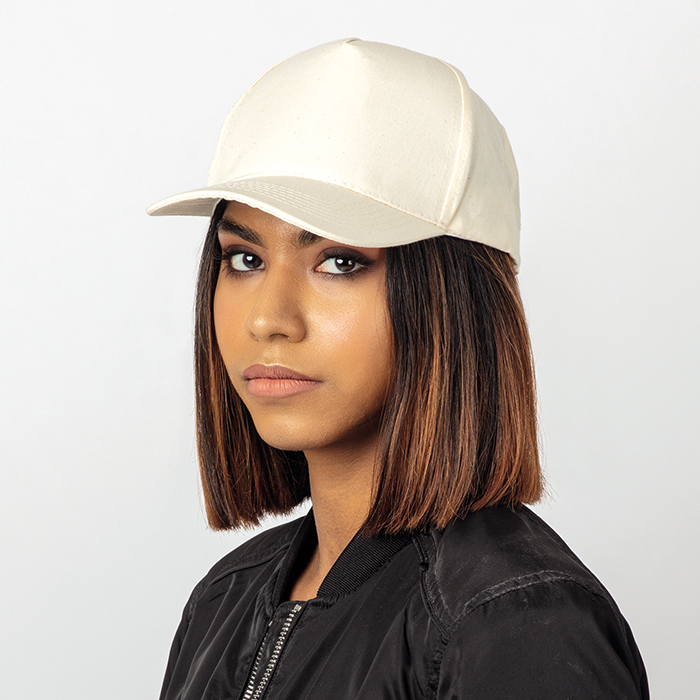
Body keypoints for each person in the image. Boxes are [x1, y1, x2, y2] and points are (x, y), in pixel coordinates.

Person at [148, 39, 649, 699]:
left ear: (453, 298)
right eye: (245, 259)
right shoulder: (224, 600)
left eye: (340, 262)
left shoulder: (516, 623)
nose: (268, 318)